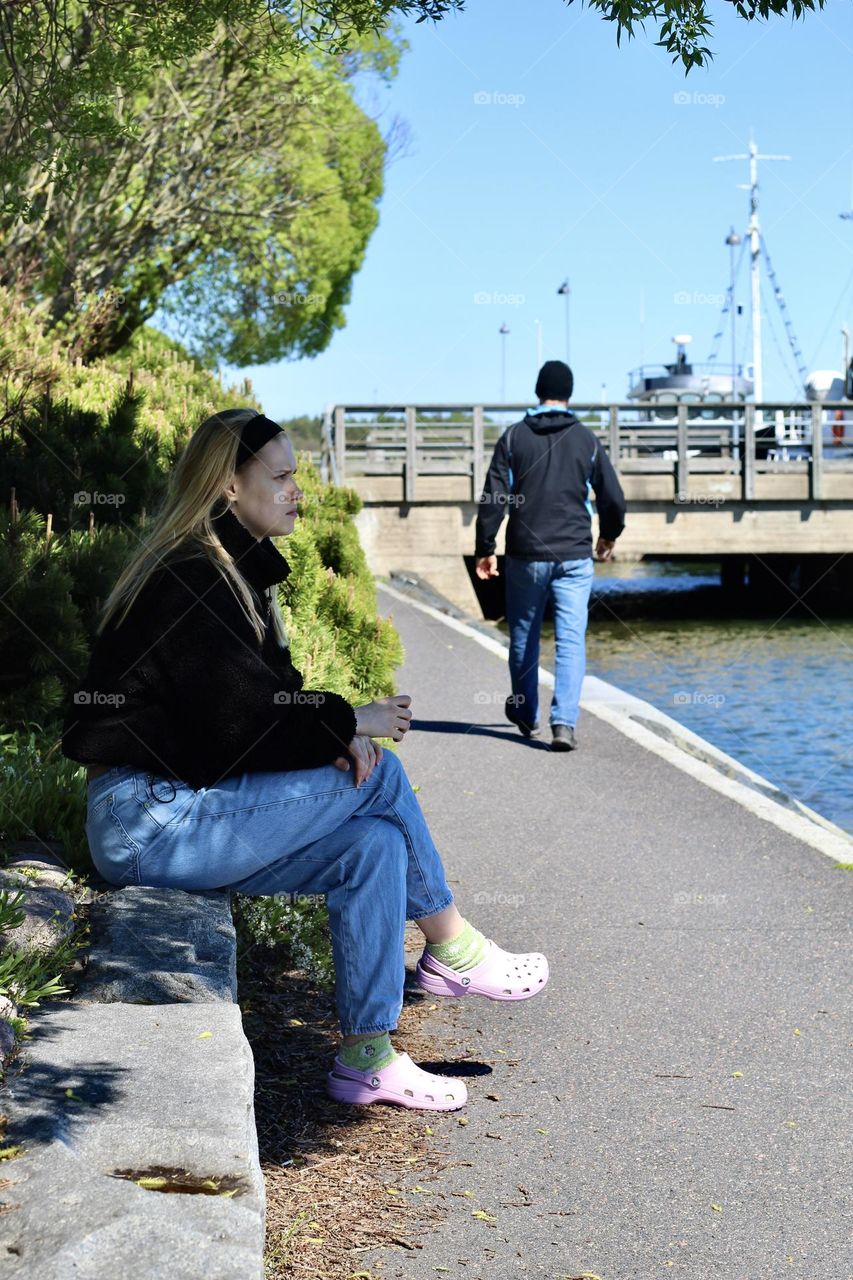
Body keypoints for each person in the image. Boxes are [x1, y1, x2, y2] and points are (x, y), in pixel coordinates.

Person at [61, 409, 549, 1112]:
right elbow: (238, 726)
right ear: (229, 485)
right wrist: (351, 721)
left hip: (185, 812)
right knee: (379, 773)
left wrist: (335, 730)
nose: (297, 491)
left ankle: (367, 1059)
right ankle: (452, 947)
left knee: (372, 846)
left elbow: (270, 705)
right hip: (149, 824)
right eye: (281, 476)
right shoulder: (192, 577)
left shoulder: (235, 573)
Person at [474, 361, 626, 752]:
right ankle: (564, 725)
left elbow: (494, 498)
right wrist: (608, 535)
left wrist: (485, 549)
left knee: (524, 636)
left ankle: (526, 713)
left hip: (525, 554)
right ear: (569, 394)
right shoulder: (586, 440)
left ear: (538, 391)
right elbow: (613, 497)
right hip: (575, 555)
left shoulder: (513, 438)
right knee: (571, 641)